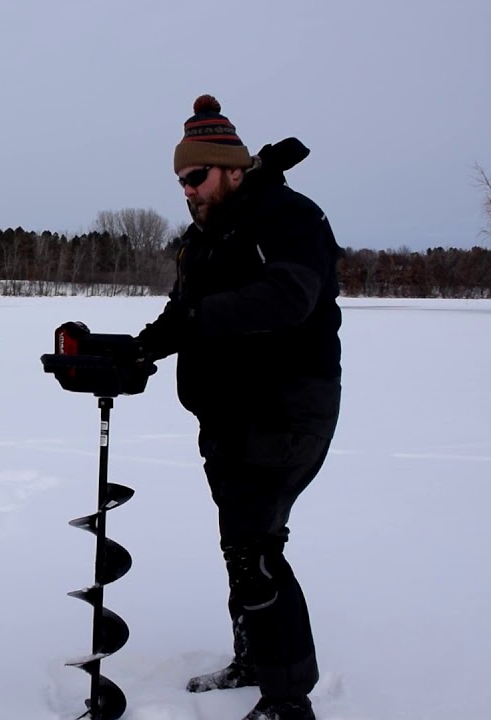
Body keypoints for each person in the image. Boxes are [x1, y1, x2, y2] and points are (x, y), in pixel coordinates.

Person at [134, 95, 343, 720]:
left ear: (230, 167)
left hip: (285, 405)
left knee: (253, 547)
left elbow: (290, 298)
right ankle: (255, 657)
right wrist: (137, 348)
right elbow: (182, 315)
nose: (188, 190)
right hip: (227, 412)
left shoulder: (288, 216)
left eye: (196, 177)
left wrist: (199, 318)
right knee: (242, 539)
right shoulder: (202, 240)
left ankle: (287, 699)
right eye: (180, 181)